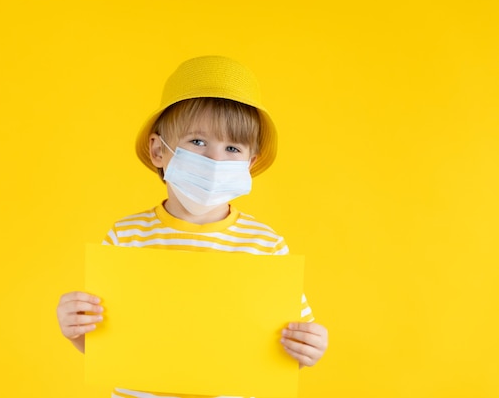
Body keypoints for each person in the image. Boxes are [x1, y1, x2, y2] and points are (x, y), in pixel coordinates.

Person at [56, 55, 329, 398]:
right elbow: (108, 345)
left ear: (250, 163)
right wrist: (74, 329)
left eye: (232, 147)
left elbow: (288, 344)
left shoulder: (266, 246)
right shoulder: (127, 237)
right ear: (159, 150)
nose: (214, 160)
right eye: (198, 142)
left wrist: (310, 346)